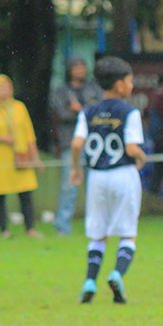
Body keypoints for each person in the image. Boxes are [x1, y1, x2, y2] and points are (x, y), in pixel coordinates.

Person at [71, 56, 147, 304]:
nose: (131, 85)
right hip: (123, 174)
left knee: (98, 233)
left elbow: (76, 144)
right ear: (119, 84)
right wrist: (142, 157)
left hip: (96, 178)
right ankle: (116, 274)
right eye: (129, 81)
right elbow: (132, 148)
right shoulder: (129, 112)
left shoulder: (88, 112)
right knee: (128, 233)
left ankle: (89, 281)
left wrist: (75, 169)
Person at [0, 74, 44, 238]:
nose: (6, 91)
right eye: (2, 88)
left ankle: (30, 229)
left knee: (26, 193)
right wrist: (2, 138)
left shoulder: (19, 107)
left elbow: (29, 134)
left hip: (21, 156)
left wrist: (35, 158)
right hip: (0, 159)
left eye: (8, 87)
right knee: (0, 195)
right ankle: (4, 230)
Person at [50, 56, 103, 235]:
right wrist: (86, 111)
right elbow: (62, 114)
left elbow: (100, 113)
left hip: (94, 144)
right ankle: (62, 227)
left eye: (82, 66)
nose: (80, 70)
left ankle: (96, 226)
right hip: (71, 143)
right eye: (76, 67)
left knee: (95, 187)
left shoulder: (93, 88)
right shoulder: (62, 91)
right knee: (69, 186)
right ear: (69, 70)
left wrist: (79, 109)